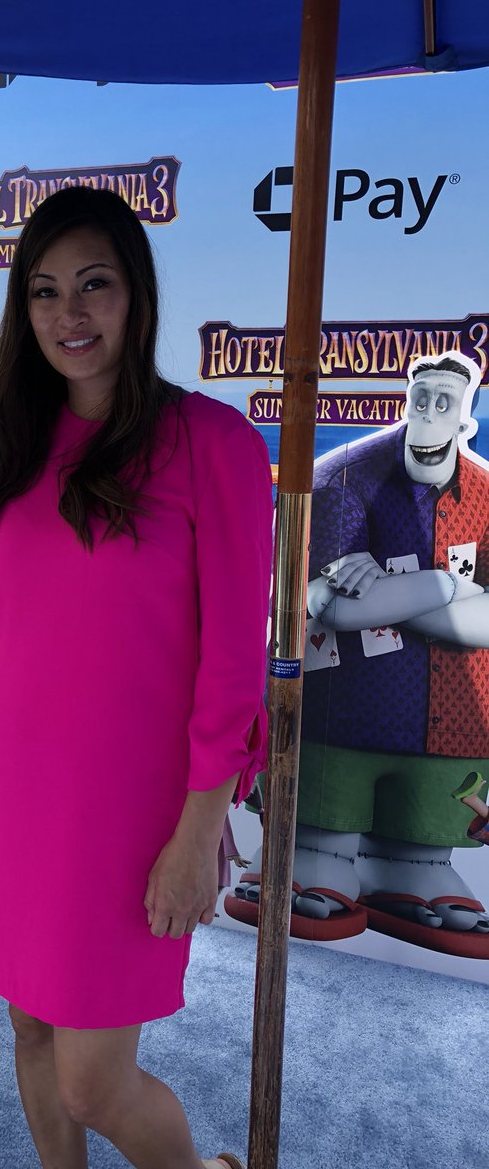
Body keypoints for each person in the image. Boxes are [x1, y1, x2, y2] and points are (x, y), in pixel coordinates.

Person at [0, 186, 272, 1169]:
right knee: (28, 1029)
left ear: (137, 295)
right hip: (18, 798)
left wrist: (198, 833)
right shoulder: (7, 450)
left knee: (94, 1081)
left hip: (132, 816)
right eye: (44, 292)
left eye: (94, 285)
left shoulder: (213, 445)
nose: (69, 314)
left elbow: (234, 665)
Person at [228, 352, 489, 955]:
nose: (430, 413)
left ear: (465, 417)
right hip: (342, 709)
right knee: (324, 810)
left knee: (426, 820)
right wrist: (450, 587)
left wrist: (399, 589)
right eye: (421, 398)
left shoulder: (483, 495)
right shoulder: (342, 476)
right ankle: (310, 856)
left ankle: (414, 866)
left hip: (455, 718)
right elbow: (329, 604)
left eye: (444, 402)